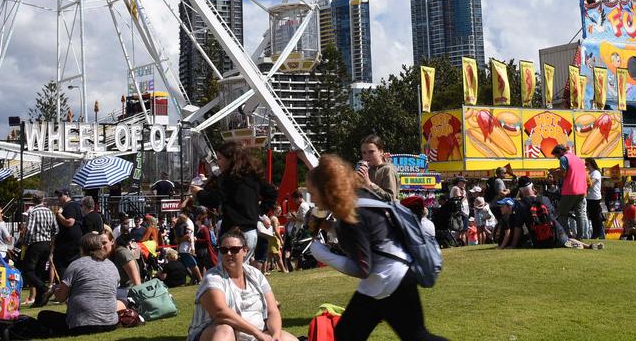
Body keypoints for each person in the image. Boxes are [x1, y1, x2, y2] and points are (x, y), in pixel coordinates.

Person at [305, 154, 448, 341]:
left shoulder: (352, 214)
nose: (313, 199)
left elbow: (363, 268)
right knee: (348, 335)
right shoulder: (357, 201)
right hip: (386, 279)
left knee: (415, 336)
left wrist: (325, 256)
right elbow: (366, 237)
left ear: (326, 191)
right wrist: (329, 227)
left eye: (313, 193)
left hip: (388, 280)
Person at [186, 227, 294, 341]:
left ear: (245, 250)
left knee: (286, 338)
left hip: (257, 334)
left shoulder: (256, 275)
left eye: (234, 249)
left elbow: (272, 310)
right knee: (225, 330)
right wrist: (257, 333)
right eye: (223, 250)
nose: (228, 253)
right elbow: (221, 313)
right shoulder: (212, 278)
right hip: (217, 333)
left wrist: (276, 336)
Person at [195, 141, 277, 254]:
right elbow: (271, 193)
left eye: (219, 158)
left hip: (233, 232)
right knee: (241, 268)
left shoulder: (226, 178)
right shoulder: (252, 177)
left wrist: (199, 192)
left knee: (226, 269)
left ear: (230, 159)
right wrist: (257, 212)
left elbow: (213, 200)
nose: (217, 162)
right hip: (250, 231)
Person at [37, 233, 124, 336]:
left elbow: (61, 297)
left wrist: (54, 289)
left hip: (82, 325)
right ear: (100, 247)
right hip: (110, 323)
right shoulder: (111, 265)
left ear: (82, 249)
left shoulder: (76, 265)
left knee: (43, 315)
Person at [22, 192, 57, 306]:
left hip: (36, 243)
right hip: (47, 244)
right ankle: (39, 301)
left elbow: (30, 229)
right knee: (39, 272)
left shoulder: (33, 211)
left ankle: (43, 288)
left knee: (27, 270)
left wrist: (26, 243)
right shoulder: (50, 212)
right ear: (44, 199)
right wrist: (50, 239)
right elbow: (55, 229)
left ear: (33, 200)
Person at [550, 145, 588, 239]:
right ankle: (580, 236)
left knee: (562, 213)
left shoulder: (563, 158)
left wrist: (554, 172)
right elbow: (572, 172)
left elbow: (563, 175)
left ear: (560, 151)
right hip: (582, 189)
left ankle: (566, 236)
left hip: (570, 190)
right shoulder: (578, 159)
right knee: (580, 214)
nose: (557, 158)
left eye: (556, 156)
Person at [53, 189, 86, 278]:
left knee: (61, 264)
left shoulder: (70, 206)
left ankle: (66, 285)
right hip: (70, 242)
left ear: (67, 195)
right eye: (58, 196)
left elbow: (69, 222)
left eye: (60, 195)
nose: (58, 198)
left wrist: (58, 214)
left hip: (69, 244)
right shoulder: (72, 205)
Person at [358, 135, 400, 201]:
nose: (367, 156)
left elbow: (390, 198)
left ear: (380, 152)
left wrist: (370, 184)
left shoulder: (387, 170)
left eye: (371, 152)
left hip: (386, 210)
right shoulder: (367, 170)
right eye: (364, 153)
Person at [585, 158, 605, 240]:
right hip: (589, 197)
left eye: (587, 164)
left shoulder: (596, 173)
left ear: (591, 164)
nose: (586, 166)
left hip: (595, 197)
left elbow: (590, 183)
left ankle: (599, 233)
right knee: (593, 217)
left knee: (596, 216)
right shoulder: (590, 173)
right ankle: (595, 233)